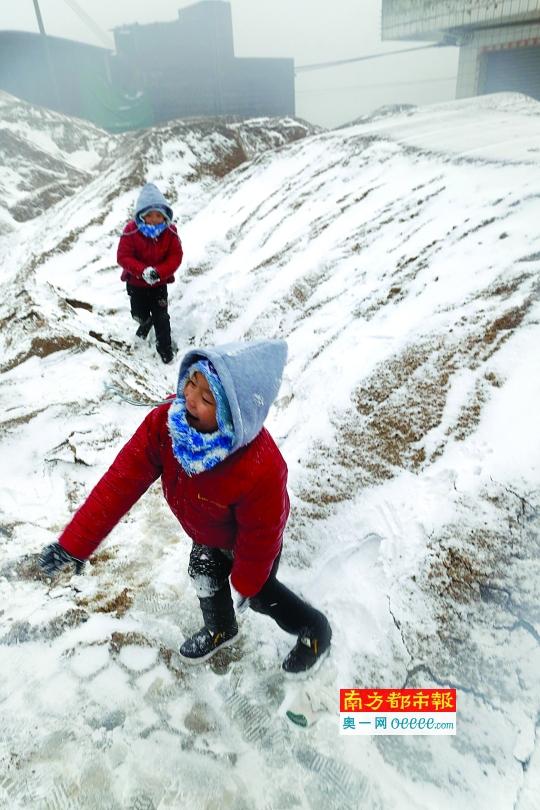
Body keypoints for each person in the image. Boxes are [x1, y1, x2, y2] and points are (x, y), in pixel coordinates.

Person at [39, 339, 332, 673]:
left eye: (207, 398)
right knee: (203, 571)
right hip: (209, 528)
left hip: (248, 543)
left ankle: (314, 629)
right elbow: (120, 483)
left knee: (262, 595)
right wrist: (75, 544)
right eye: (192, 381)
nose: (189, 398)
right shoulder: (166, 426)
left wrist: (248, 581)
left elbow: (262, 533)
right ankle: (221, 627)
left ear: (232, 419)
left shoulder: (259, 468)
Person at [117, 182, 183, 364]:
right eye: (149, 215)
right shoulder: (131, 231)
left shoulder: (170, 232)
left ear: (165, 215)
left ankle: (165, 350)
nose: (154, 219)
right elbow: (123, 256)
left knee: (162, 316)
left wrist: (158, 273)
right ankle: (146, 323)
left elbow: (175, 256)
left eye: (159, 215)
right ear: (141, 215)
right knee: (139, 314)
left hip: (158, 285)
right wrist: (142, 271)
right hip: (136, 284)